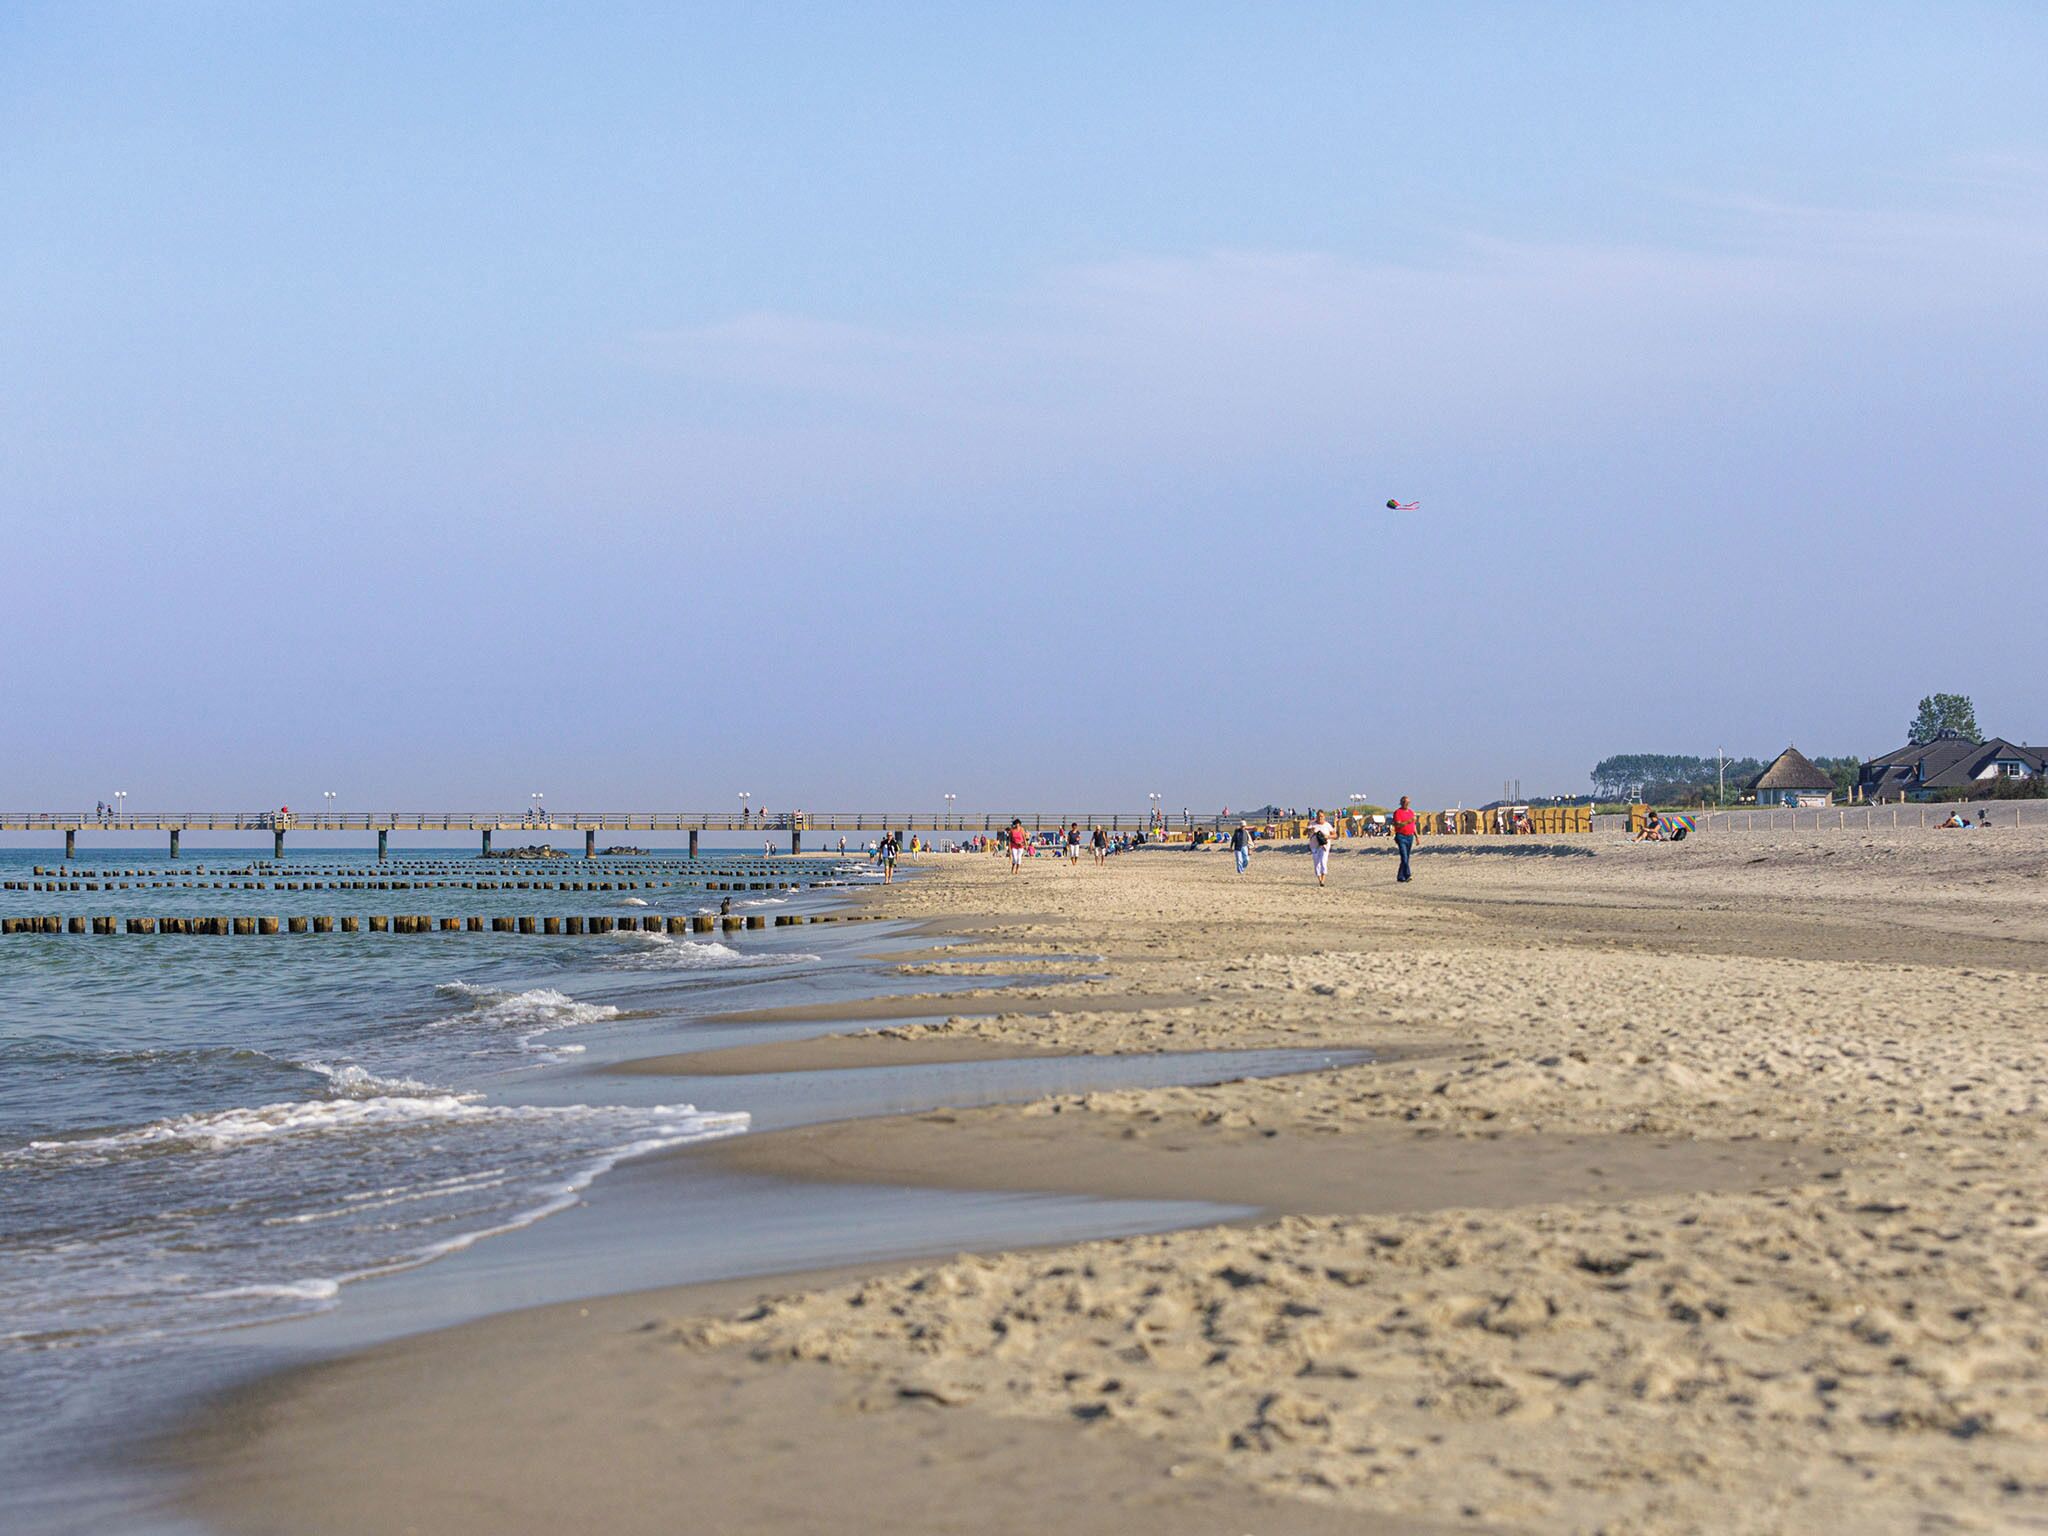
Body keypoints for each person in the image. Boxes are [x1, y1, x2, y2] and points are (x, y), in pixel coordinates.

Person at [1391, 796, 1418, 882]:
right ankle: (1407, 875)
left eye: (1408, 802)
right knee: (1404, 856)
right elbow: (1398, 824)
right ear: (1402, 803)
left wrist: (1417, 837)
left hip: (1410, 836)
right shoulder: (1397, 812)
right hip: (1401, 836)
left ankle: (1400, 876)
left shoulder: (1411, 812)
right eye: (1405, 802)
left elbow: (1413, 826)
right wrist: (1408, 821)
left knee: (1406, 857)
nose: (1407, 804)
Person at [1306, 810, 1335, 886]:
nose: (1320, 818)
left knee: (1323, 862)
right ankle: (1319, 880)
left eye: (1321, 816)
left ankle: (1323, 880)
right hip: (1314, 846)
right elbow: (1305, 833)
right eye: (1318, 816)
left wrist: (1327, 836)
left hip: (1324, 846)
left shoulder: (1327, 825)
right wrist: (1310, 830)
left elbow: (1335, 835)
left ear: (1324, 817)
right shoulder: (1312, 824)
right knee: (1316, 864)